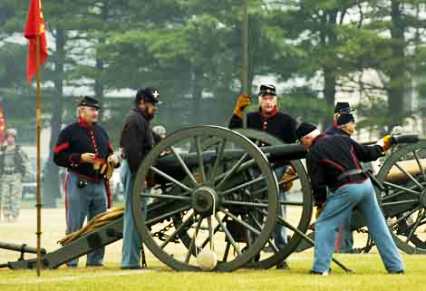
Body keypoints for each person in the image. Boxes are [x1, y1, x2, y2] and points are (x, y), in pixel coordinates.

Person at [295, 122, 404, 275]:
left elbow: (317, 183)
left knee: (324, 224)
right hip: (366, 185)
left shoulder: (314, 152)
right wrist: (385, 143)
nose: (303, 146)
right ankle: (396, 267)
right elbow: (368, 153)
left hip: (347, 187)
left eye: (301, 142)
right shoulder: (342, 139)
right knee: (378, 226)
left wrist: (320, 205)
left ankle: (320, 269)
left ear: (306, 138)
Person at [229, 84, 298, 268]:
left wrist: (291, 172)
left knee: (278, 216)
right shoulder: (249, 119)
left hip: (278, 170)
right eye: (264, 98)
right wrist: (238, 111)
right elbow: (233, 131)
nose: (268, 102)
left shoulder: (287, 122)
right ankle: (253, 252)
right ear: (260, 100)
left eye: (271, 98)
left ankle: (280, 256)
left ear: (276, 101)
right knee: (253, 216)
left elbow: (296, 149)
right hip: (253, 171)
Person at [53, 96, 119, 267]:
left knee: (100, 225)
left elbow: (109, 153)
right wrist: (79, 158)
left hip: (99, 184)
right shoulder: (69, 132)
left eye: (96, 110)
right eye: (92, 109)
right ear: (81, 111)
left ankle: (95, 261)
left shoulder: (101, 131)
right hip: (78, 183)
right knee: (75, 224)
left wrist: (112, 158)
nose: (95, 113)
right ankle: (71, 260)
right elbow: (58, 157)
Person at [120, 87, 160, 269]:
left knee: (137, 216)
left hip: (139, 171)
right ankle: (129, 261)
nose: (155, 108)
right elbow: (133, 152)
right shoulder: (134, 120)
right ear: (142, 102)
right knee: (133, 216)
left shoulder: (141, 120)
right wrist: (141, 175)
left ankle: (132, 259)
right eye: (152, 104)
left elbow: (150, 141)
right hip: (135, 171)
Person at [326, 112, 357, 253]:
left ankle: (345, 247)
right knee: (343, 217)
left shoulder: (342, 135)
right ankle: (343, 249)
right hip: (337, 183)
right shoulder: (333, 135)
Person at [0, 128, 30, 222]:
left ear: (15, 138)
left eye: (12, 137)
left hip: (16, 175)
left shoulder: (19, 150)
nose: (10, 139)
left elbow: (26, 162)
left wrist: (25, 175)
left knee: (15, 197)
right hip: (5, 175)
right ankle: (6, 215)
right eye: (8, 136)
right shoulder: (2, 150)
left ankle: (14, 215)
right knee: (5, 196)